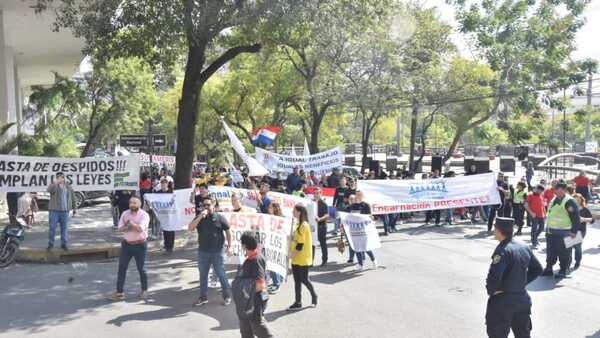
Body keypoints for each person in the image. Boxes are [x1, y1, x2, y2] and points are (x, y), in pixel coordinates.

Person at [485, 217, 542, 338]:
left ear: (499, 230)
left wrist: (492, 290)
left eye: (495, 228)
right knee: (523, 334)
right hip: (522, 299)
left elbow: (494, 277)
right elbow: (537, 269)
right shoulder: (523, 246)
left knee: (497, 333)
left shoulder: (502, 251)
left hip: (503, 302)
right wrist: (520, 283)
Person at [188, 197, 233, 306]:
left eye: (208, 205)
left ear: (213, 205)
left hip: (218, 252)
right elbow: (190, 228)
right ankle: (203, 298)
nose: (206, 207)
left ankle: (227, 296)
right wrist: (200, 217)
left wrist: (230, 246)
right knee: (203, 275)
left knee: (221, 274)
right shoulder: (199, 218)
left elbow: (228, 232)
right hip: (203, 252)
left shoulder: (220, 218)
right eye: (204, 205)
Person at [106, 196, 150, 301]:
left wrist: (130, 224)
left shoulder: (144, 215)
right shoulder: (125, 213)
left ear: (139, 204)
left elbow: (140, 229)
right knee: (122, 268)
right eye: (130, 203)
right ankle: (119, 292)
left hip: (140, 245)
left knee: (142, 269)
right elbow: (120, 228)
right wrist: (130, 226)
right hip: (127, 245)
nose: (132, 205)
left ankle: (144, 291)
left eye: (134, 203)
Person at [234, 232, 273, 338]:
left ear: (244, 246)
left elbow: (260, 285)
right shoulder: (252, 257)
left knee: (258, 326)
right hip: (248, 301)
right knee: (246, 329)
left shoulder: (256, 259)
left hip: (254, 301)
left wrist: (243, 289)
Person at [542, 181, 580, 279]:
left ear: (563, 190)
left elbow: (576, 217)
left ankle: (563, 270)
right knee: (550, 252)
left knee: (564, 252)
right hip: (551, 232)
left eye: (557, 189)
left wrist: (574, 232)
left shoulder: (569, 201)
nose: (555, 191)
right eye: (555, 189)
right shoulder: (555, 199)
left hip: (564, 232)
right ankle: (548, 268)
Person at [287, 204, 318, 311]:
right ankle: (298, 302)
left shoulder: (304, 225)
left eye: (294, 211)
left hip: (302, 257)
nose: (292, 212)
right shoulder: (296, 224)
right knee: (296, 281)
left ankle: (314, 297)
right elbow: (294, 240)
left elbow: (300, 245)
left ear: (299, 212)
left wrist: (291, 255)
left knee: (304, 279)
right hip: (295, 257)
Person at [346, 191, 377, 271]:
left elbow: (370, 216)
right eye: (357, 195)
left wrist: (371, 217)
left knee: (365, 247)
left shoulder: (366, 205)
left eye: (360, 195)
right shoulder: (352, 206)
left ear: (362, 196)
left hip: (364, 230)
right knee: (357, 248)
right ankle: (360, 264)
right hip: (354, 230)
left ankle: (374, 260)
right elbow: (347, 216)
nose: (358, 196)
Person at [46, 172, 76, 251]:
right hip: (54, 211)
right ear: (56, 178)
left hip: (65, 211)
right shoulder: (54, 185)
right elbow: (49, 190)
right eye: (58, 177)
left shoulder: (68, 186)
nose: (60, 179)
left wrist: (74, 208)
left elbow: (73, 196)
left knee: (64, 228)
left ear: (64, 178)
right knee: (52, 228)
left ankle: (64, 244)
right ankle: (50, 244)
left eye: (62, 177)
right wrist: (55, 183)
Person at [266, 202, 284, 294]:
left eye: (270, 207)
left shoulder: (279, 219)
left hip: (276, 245)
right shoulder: (267, 217)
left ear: (275, 209)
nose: (268, 208)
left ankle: (277, 284)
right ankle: (275, 282)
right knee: (270, 265)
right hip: (269, 244)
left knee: (274, 265)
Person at [572, 193, 592, 270]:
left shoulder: (585, 209)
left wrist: (583, 219)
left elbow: (592, 220)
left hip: (580, 231)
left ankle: (577, 261)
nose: (576, 200)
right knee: (569, 246)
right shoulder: (569, 208)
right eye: (575, 199)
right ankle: (567, 263)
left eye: (578, 199)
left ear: (581, 200)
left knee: (577, 246)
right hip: (569, 230)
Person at [156, 179, 175, 253]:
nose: (163, 185)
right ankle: (166, 245)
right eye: (162, 184)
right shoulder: (158, 193)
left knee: (170, 230)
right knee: (165, 230)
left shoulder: (171, 192)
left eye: (164, 184)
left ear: (167, 184)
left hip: (171, 213)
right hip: (162, 214)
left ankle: (170, 247)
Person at [314, 187, 330, 266]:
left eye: (318, 193)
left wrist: (320, 219)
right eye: (315, 193)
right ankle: (310, 261)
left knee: (323, 244)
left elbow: (327, 215)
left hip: (321, 226)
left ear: (321, 194)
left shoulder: (323, 204)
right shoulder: (311, 202)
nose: (316, 195)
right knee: (312, 244)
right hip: (312, 227)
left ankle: (324, 260)